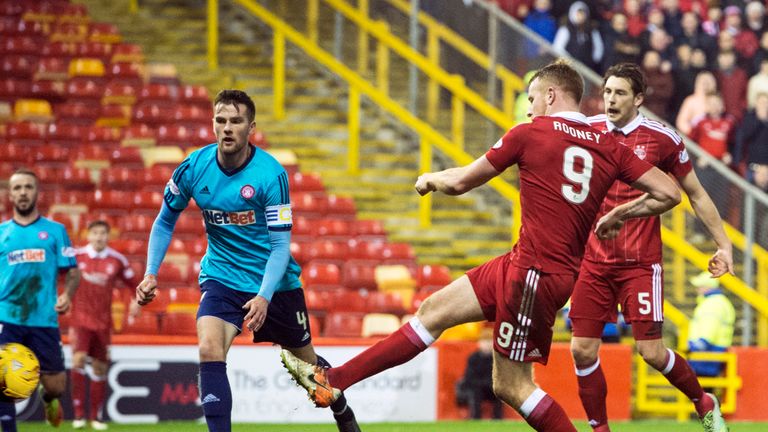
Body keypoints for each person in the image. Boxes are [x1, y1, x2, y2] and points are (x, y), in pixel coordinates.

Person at [281, 59, 681, 432]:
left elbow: (459, 182)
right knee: (433, 310)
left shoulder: (530, 133)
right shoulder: (607, 146)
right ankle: (334, 381)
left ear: (552, 96)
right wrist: (621, 215)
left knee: (512, 386)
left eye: (531, 99)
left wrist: (429, 179)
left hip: (535, 275)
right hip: (526, 263)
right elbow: (669, 192)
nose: (528, 109)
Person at [134, 90, 360, 432]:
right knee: (209, 347)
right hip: (222, 276)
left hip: (275, 284)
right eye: (220, 120)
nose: (227, 128)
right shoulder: (193, 168)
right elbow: (165, 220)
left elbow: (281, 247)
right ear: (212, 124)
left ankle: (341, 409)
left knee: (310, 374)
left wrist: (265, 296)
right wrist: (151, 273)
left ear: (250, 127)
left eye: (235, 121)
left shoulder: (270, 175)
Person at [569, 63, 733, 432]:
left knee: (652, 353)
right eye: (608, 92)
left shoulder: (662, 139)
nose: (611, 99)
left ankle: (704, 402)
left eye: (620, 93)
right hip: (594, 261)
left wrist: (724, 245)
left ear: (639, 98)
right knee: (581, 349)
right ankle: (600, 429)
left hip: (640, 263)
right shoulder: (586, 131)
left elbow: (695, 194)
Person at [0, 169, 80, 430]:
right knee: (4, 379)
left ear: (37, 192)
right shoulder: (1, 233)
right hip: (8, 317)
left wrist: (67, 294)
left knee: (56, 387)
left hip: (44, 318)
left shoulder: (56, 231)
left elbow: (73, 271)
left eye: (28, 187)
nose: (23, 192)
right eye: (18, 188)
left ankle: (48, 399)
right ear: (10, 195)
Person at [71, 220, 140, 430]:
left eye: (103, 233)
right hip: (80, 319)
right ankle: (79, 415)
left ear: (108, 236)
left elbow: (134, 285)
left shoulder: (116, 260)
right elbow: (58, 277)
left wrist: (136, 303)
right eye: (95, 233)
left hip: (103, 322)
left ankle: (96, 417)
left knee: (100, 367)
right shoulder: (76, 256)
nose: (99, 237)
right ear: (88, 235)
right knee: (79, 360)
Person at [687, 272, 736, 383]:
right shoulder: (717, 302)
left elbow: (710, 325)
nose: (697, 289)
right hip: (711, 349)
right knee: (705, 386)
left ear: (708, 286)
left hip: (708, 349)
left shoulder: (713, 303)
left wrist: (702, 342)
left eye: (700, 286)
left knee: (703, 386)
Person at [455, 328, 502, 420]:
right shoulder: (473, 358)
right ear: (479, 343)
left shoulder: (497, 359)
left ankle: (498, 418)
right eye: (484, 341)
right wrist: (481, 384)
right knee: (476, 392)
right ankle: (476, 418)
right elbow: (469, 377)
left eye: (489, 342)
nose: (487, 344)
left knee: (499, 392)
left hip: (491, 388)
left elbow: (499, 376)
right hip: (477, 388)